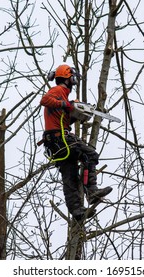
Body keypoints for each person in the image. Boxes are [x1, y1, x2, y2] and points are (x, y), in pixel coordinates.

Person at [40, 64, 112, 220]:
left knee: (70, 176)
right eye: (73, 79)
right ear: (69, 78)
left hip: (54, 142)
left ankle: (78, 212)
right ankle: (92, 191)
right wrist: (66, 104)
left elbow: (62, 119)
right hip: (60, 139)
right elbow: (44, 99)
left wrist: (76, 114)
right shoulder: (59, 91)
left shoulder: (62, 95)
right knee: (90, 155)